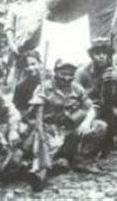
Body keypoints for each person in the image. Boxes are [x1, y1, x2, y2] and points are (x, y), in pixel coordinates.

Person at [26, 59, 107, 190]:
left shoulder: (77, 88)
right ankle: (43, 171)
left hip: (71, 127)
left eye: (70, 74)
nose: (67, 77)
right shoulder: (43, 88)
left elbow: (91, 107)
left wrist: (86, 122)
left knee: (100, 126)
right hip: (50, 128)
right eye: (63, 73)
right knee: (47, 149)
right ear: (55, 72)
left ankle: (82, 160)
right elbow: (32, 114)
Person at [5, 0, 86, 93]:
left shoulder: (43, 3)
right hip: (19, 48)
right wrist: (12, 46)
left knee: (39, 77)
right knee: (16, 78)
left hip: (37, 47)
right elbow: (9, 28)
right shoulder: (15, 7)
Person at [74, 38, 117, 152]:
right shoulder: (82, 72)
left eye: (105, 53)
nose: (101, 56)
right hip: (89, 107)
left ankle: (116, 137)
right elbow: (76, 93)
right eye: (97, 53)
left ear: (109, 55)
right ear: (91, 55)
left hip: (109, 107)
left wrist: (115, 83)